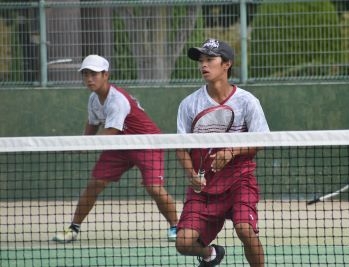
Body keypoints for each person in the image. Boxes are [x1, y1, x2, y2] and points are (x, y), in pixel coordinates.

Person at [53, 55, 178, 243]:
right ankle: (73, 228)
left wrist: (84, 146)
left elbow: (110, 131)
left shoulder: (117, 100)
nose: (89, 79)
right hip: (120, 144)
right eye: (85, 74)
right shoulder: (93, 99)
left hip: (147, 143)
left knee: (153, 187)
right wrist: (82, 142)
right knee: (95, 184)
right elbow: (93, 123)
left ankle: (177, 227)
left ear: (106, 75)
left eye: (94, 74)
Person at [175, 39, 268, 267]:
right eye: (201, 61)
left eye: (210, 60)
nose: (203, 65)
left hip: (240, 180)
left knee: (245, 230)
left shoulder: (247, 102)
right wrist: (191, 175)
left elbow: (262, 139)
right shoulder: (189, 104)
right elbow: (180, 147)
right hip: (204, 188)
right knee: (183, 243)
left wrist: (232, 151)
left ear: (226, 64)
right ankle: (210, 254)